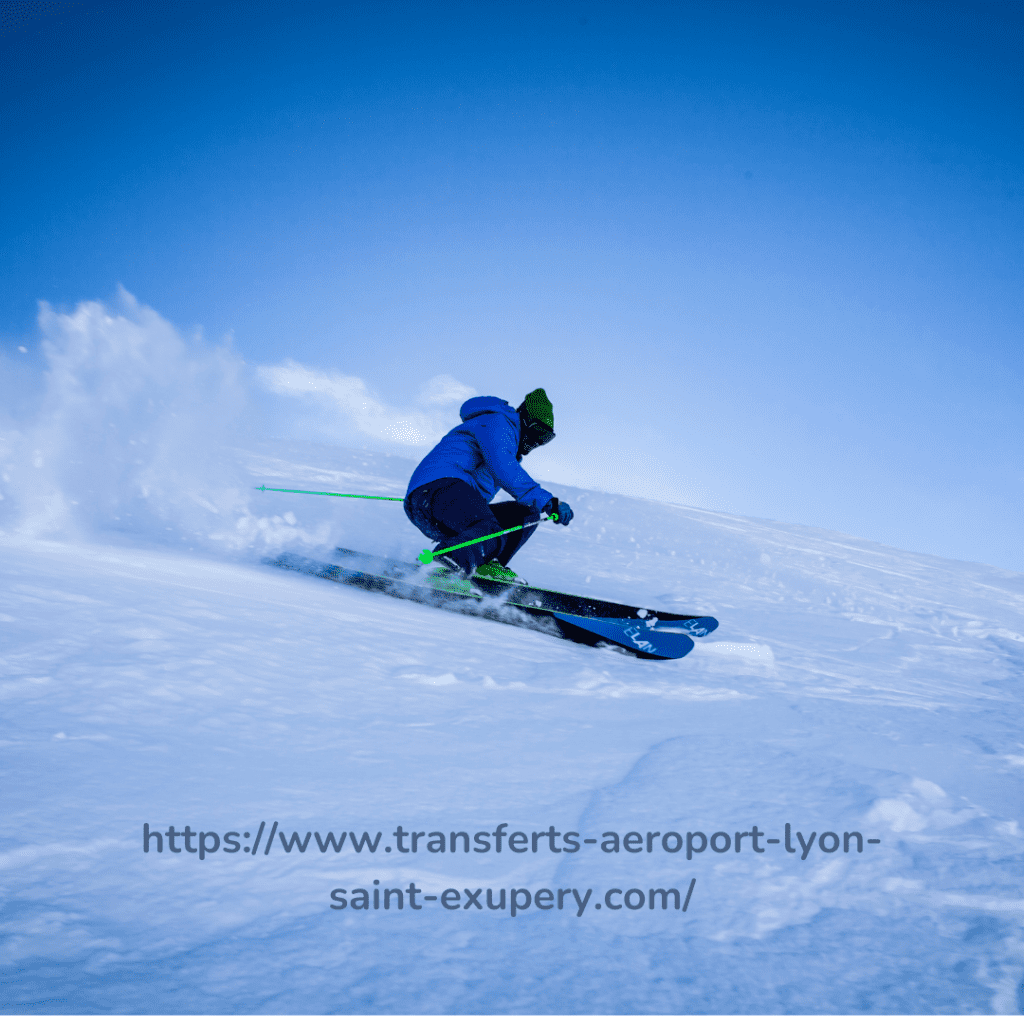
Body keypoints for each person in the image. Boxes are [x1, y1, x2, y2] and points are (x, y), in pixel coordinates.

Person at [404, 388, 574, 582]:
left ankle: (486, 566)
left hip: (447, 504)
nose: (536, 442)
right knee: (488, 527)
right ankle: (443, 567)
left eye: (544, 439)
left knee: (525, 515)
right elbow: (504, 467)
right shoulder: (498, 423)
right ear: (524, 419)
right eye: (537, 432)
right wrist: (549, 501)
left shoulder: (509, 445)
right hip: (433, 492)